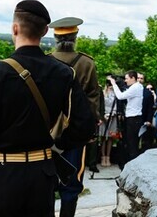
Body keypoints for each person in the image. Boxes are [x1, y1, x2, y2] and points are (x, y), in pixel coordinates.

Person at [0, 0, 94, 217]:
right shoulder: (64, 73)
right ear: (46, 31)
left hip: (1, 173)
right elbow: (84, 126)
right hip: (41, 173)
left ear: (15, 28)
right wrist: (57, 144)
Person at [49, 17, 100, 217]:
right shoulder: (86, 63)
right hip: (76, 133)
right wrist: (89, 128)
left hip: (48, 133)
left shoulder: (46, 61)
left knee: (47, 180)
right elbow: (93, 98)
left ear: (55, 38)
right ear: (75, 37)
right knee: (71, 183)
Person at [107, 71, 144, 162]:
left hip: (133, 119)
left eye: (127, 78)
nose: (125, 81)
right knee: (130, 143)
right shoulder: (137, 87)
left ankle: (131, 164)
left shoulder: (135, 87)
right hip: (133, 118)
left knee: (131, 144)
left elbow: (120, 96)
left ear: (133, 78)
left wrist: (114, 84)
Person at [99, 80, 119, 166]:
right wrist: (104, 115)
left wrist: (112, 114)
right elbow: (100, 105)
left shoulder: (116, 93)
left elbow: (116, 105)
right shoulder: (103, 93)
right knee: (103, 137)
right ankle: (103, 157)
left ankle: (108, 157)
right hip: (104, 117)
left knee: (110, 137)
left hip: (113, 116)